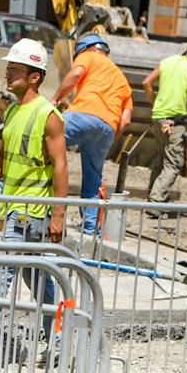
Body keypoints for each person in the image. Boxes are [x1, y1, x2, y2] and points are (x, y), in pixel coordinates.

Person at [0, 38, 68, 364]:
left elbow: (61, 166)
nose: (8, 74)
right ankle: (61, 342)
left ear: (34, 76)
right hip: (16, 210)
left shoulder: (48, 115)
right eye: (8, 68)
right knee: (39, 282)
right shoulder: (13, 111)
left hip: (31, 214)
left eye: (15, 69)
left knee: (0, 278)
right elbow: (2, 157)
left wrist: (58, 215)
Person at [50, 33, 132, 234]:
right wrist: (109, 138)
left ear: (87, 49)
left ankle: (10, 192)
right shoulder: (123, 81)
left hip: (82, 115)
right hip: (107, 128)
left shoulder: (90, 56)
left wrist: (55, 98)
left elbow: (76, 74)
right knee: (93, 178)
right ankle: (89, 229)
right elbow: (126, 119)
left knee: (41, 140)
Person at [143, 33, 187, 205]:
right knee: (174, 164)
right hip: (174, 121)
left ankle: (152, 198)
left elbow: (146, 83)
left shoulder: (167, 61)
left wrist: (155, 103)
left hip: (158, 117)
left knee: (161, 159)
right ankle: (156, 200)